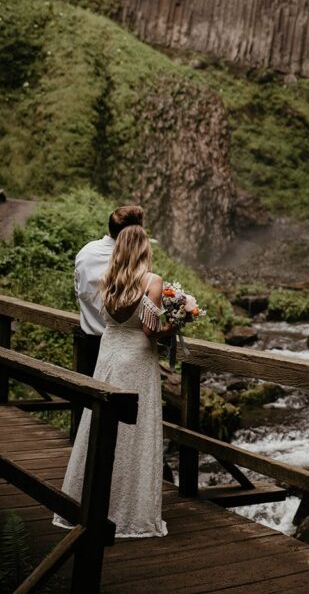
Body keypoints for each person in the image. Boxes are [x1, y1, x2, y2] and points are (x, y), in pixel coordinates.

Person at [54, 225, 169, 538]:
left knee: (99, 424)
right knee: (138, 428)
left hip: (109, 355)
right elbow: (150, 330)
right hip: (138, 357)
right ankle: (131, 512)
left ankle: (87, 504)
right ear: (143, 249)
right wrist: (175, 323)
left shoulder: (108, 279)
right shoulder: (152, 281)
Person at [74, 205, 145, 375]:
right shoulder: (130, 262)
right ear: (135, 231)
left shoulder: (86, 250)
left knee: (90, 398)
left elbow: (78, 292)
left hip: (87, 341)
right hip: (119, 347)